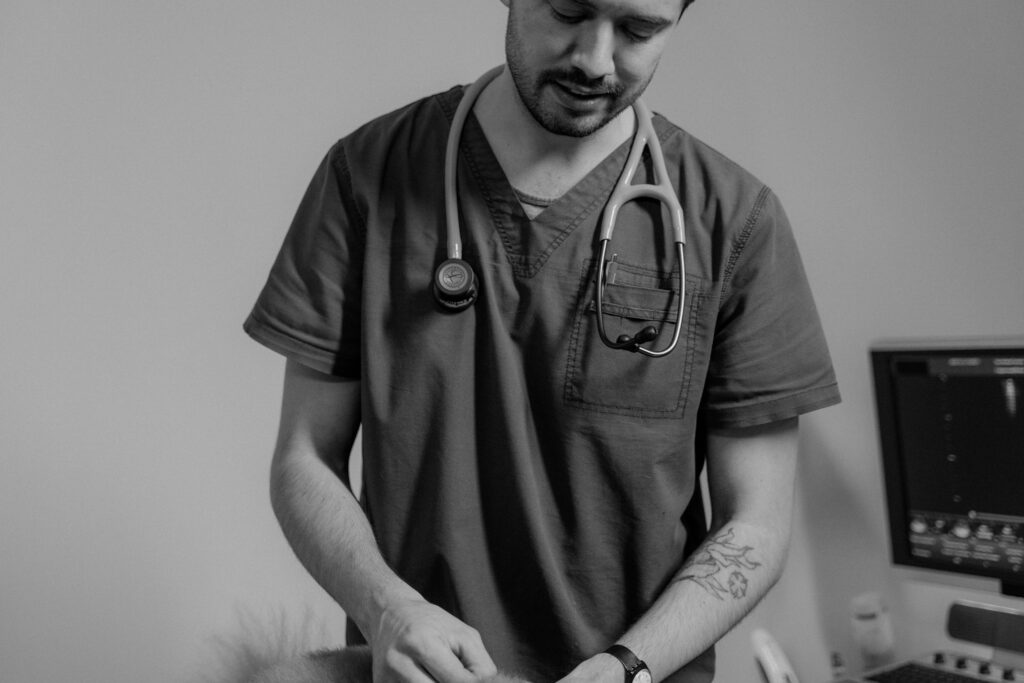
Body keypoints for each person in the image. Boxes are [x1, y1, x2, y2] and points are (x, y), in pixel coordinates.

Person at [244, 0, 841, 681]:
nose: (594, 58)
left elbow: (755, 524)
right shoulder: (368, 177)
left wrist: (626, 666)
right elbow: (303, 459)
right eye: (568, 9)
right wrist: (386, 609)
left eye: (639, 30)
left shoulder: (734, 222)